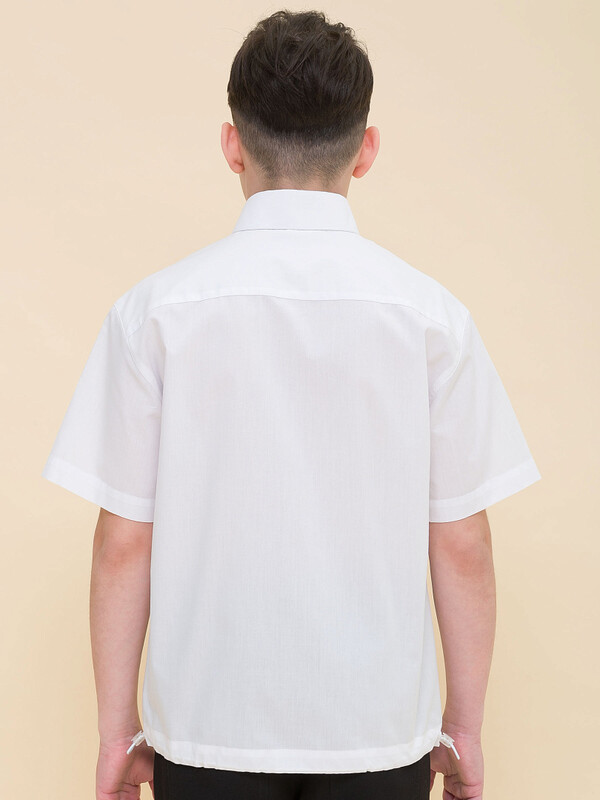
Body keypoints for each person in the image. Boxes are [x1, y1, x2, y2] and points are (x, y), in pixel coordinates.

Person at [41, 9, 542, 800]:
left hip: (206, 730)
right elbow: (462, 543)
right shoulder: (431, 319)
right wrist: (466, 728)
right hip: (378, 734)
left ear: (232, 145)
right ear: (366, 149)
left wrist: (115, 733)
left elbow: (125, 542)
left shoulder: (154, 314)